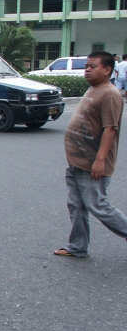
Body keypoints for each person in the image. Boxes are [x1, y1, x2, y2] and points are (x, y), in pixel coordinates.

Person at [54, 51, 127, 258]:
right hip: (77, 161)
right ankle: (78, 246)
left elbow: (110, 129)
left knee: (98, 206)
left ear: (107, 70)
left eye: (93, 66)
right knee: (76, 205)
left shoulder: (110, 94)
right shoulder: (93, 89)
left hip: (93, 163)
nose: (87, 69)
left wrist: (100, 161)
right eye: (87, 66)